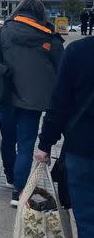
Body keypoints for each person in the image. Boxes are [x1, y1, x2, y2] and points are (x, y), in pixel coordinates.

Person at [0, 0, 63, 206]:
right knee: (26, 144)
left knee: (8, 138)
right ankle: (19, 190)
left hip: (5, 95)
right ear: (41, 14)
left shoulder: (1, 32)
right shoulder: (49, 37)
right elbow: (62, 70)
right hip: (33, 100)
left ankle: (10, 176)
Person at [35, 35, 94, 235]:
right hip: (82, 151)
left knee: (87, 220)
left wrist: (45, 143)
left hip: (83, 149)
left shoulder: (78, 51)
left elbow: (59, 103)